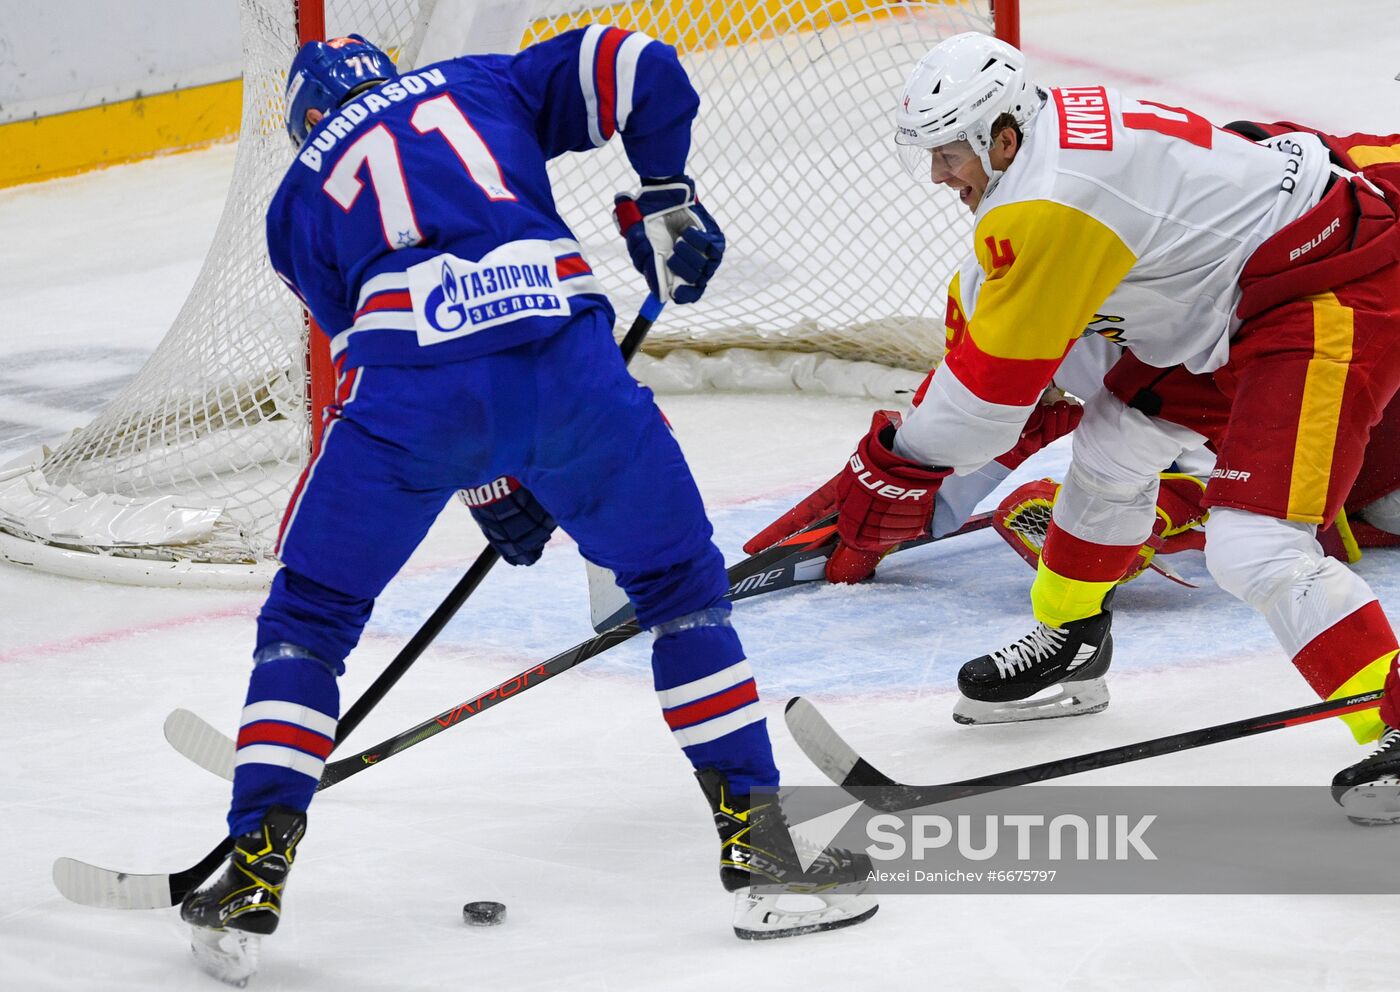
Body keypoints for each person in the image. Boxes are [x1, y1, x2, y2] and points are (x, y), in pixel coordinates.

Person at [179, 29, 876, 982]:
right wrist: (665, 197)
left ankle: (256, 871)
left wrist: (487, 476)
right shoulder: (477, 80)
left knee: (310, 619)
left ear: (301, 120)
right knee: (680, 591)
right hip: (568, 365)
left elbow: (390, 358)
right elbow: (644, 66)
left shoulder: (296, 201)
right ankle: (768, 855)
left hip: (414, 401)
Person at [753, 31, 1400, 824]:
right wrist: (912, 459)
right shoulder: (1043, 162)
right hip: (1227, 304)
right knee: (1113, 441)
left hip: (1326, 293)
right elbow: (1004, 393)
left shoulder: (1049, 206)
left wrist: (895, 464)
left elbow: (986, 410)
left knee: (1254, 546)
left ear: (1001, 135)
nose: (937, 175)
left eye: (949, 152)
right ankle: (1072, 642)